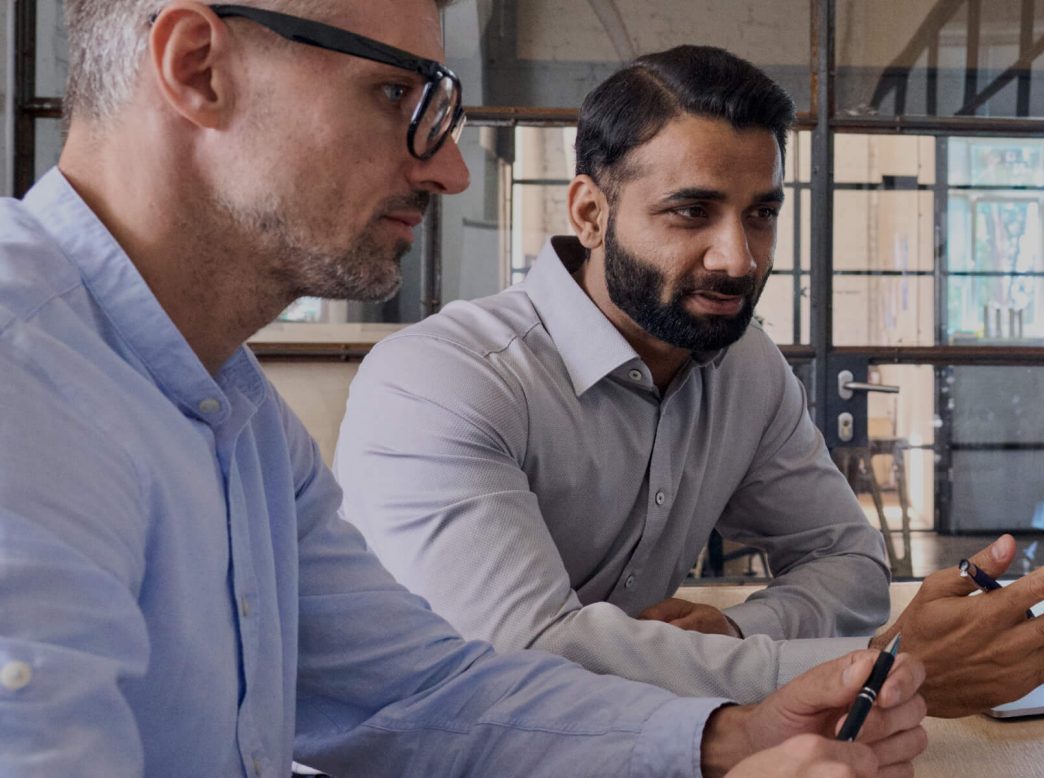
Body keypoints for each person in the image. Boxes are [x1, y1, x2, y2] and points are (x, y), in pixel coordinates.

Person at [0, 2, 926, 774]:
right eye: (396, 92)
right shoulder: (24, 375)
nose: (448, 169)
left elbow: (420, 693)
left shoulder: (237, 416)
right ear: (199, 67)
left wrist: (726, 737)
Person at [334, 45, 1044, 717]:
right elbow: (526, 658)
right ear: (589, 212)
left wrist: (734, 629)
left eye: (760, 213)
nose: (740, 259)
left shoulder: (744, 363)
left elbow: (849, 563)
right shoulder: (443, 380)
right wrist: (879, 667)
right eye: (690, 213)